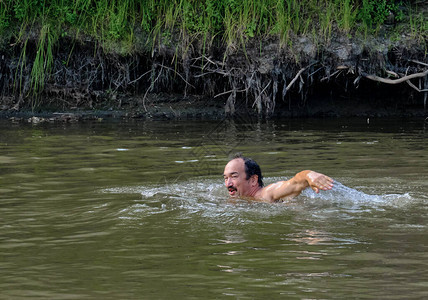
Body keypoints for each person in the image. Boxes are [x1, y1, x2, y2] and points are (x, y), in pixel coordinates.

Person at [223, 153, 334, 202]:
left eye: (234, 177)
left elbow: (295, 183)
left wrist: (308, 175)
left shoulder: (267, 193)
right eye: (225, 178)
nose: (228, 184)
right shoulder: (239, 200)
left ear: (253, 180)